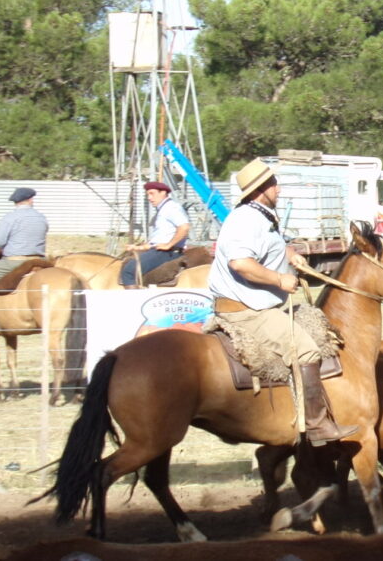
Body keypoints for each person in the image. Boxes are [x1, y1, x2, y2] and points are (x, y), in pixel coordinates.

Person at [209, 158, 357, 446]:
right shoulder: (246, 220)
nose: (279, 189)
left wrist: (291, 255)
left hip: (256, 304)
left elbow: (268, 247)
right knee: (305, 350)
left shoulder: (261, 216)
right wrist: (279, 280)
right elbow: (240, 263)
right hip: (248, 310)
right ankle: (317, 426)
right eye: (273, 184)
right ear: (259, 190)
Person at [0, 187, 50, 331]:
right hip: (40, 261)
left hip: (15, 261)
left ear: (16, 202)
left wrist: (0, 251)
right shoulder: (41, 217)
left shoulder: (10, 218)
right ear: (31, 200)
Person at [120, 181, 191, 288]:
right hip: (159, 250)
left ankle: (135, 303)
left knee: (129, 272)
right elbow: (159, 238)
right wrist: (139, 247)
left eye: (152, 193)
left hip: (165, 253)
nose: (149, 198)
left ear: (163, 193)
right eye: (148, 194)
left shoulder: (171, 208)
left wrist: (169, 245)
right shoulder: (163, 209)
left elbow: (184, 227)